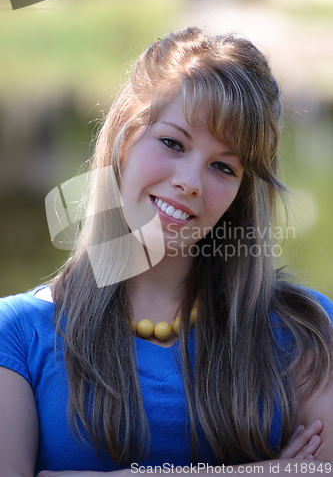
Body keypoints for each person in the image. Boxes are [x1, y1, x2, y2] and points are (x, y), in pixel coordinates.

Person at [0, 27, 333, 477]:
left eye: (223, 166)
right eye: (172, 143)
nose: (191, 181)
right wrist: (266, 470)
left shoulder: (304, 330)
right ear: (123, 141)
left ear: (240, 193)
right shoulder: (18, 334)